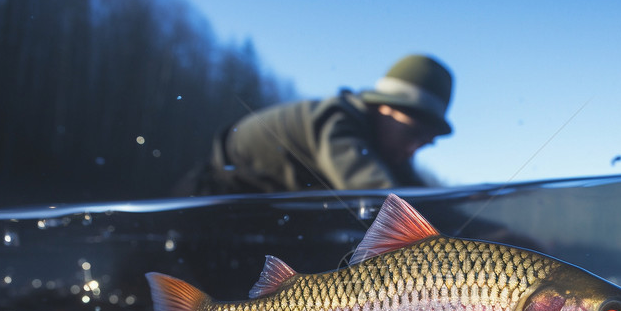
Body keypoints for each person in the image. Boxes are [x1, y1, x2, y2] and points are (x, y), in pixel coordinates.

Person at [176, 54, 454, 195]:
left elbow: (424, 201)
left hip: (271, 209)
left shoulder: (387, 146)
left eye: (425, 142)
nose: (412, 149)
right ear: (382, 107)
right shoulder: (336, 121)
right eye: (412, 134)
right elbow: (380, 196)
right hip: (211, 195)